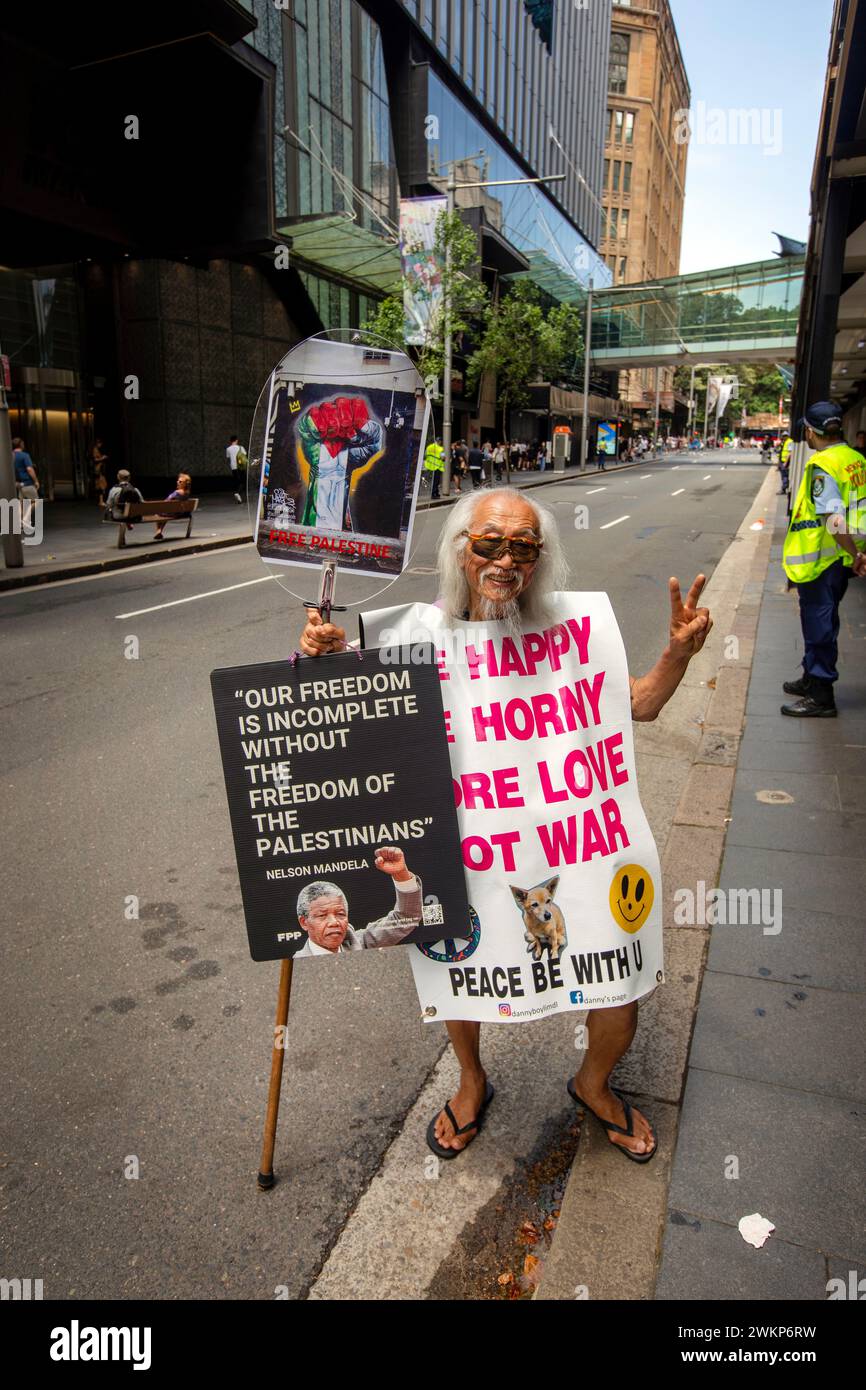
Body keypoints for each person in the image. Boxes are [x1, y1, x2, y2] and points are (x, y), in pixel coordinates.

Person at [299, 487, 712, 1160]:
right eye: (488, 542)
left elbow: (636, 704)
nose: (504, 559)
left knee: (623, 966)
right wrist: (325, 655)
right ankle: (470, 1081)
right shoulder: (419, 638)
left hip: (576, 850)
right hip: (470, 852)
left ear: (539, 559)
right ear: (461, 549)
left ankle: (594, 1085)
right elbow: (360, 709)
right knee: (455, 968)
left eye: (522, 546)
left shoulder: (569, 632)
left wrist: (679, 654)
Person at [781, 402, 866, 717]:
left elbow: (832, 518)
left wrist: (853, 553)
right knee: (823, 620)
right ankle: (809, 677)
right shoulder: (855, 459)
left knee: (819, 624)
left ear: (809, 431)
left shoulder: (822, 465)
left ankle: (820, 695)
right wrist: (856, 553)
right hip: (842, 561)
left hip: (823, 560)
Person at [295, 848, 422, 956]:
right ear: (304, 922)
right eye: (322, 915)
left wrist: (400, 874)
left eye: (340, 914)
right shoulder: (294, 966)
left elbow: (407, 917)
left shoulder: (359, 942)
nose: (334, 922)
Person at [153, 472, 193, 540]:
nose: (177, 482)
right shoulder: (187, 493)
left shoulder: (176, 493)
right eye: (178, 480)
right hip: (181, 513)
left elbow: (166, 501)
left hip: (173, 513)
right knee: (165, 513)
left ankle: (159, 530)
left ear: (185, 484)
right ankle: (159, 531)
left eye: (180, 482)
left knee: (158, 514)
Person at [12, 437, 39, 528]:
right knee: (36, 501)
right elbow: (29, 469)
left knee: (21, 503)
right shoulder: (24, 455)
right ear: (21, 445)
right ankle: (25, 520)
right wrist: (36, 481)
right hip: (27, 482)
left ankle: (20, 523)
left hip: (18, 483)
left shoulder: (11, 456)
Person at [226, 434, 246, 504]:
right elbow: (244, 456)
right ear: (236, 440)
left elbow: (228, 457)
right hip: (241, 467)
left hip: (233, 467)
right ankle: (238, 493)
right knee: (243, 482)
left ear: (230, 441)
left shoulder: (228, 449)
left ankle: (239, 497)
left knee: (237, 482)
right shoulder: (241, 447)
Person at [423, 436, 444, 500]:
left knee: (431, 480)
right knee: (436, 481)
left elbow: (425, 456)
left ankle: (435, 492)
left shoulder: (429, 447)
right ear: (440, 441)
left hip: (429, 466)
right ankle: (434, 494)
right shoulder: (441, 448)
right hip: (437, 467)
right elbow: (443, 458)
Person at [91, 439, 109, 507]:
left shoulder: (96, 449)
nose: (101, 445)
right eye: (100, 444)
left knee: (102, 484)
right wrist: (102, 458)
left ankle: (101, 501)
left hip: (99, 469)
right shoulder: (95, 450)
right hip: (98, 469)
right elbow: (95, 459)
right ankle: (101, 501)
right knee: (101, 484)